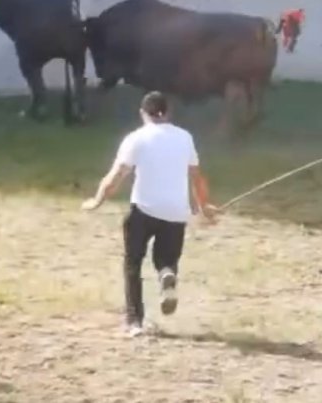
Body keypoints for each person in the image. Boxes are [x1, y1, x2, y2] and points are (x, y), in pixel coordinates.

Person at [81, 91, 220, 338]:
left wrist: (97, 200)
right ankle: (167, 274)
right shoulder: (184, 138)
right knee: (166, 259)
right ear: (168, 113)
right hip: (176, 213)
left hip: (143, 210)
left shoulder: (136, 138)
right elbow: (196, 176)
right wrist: (203, 205)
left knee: (133, 262)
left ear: (143, 113)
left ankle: (135, 322)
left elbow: (117, 175)